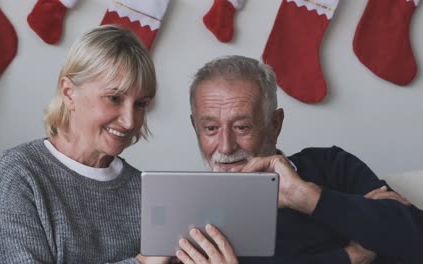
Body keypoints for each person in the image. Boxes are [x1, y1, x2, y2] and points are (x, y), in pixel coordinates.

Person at [176, 55, 423, 264]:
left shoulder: (332, 165)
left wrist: (308, 198)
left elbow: (416, 240)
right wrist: (352, 255)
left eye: (241, 127)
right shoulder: (191, 218)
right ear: (194, 127)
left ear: (275, 124)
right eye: (210, 128)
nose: (226, 146)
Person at [0, 25, 172, 264]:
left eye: (141, 104)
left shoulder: (149, 193)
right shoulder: (17, 173)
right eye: (114, 98)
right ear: (69, 93)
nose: (130, 121)